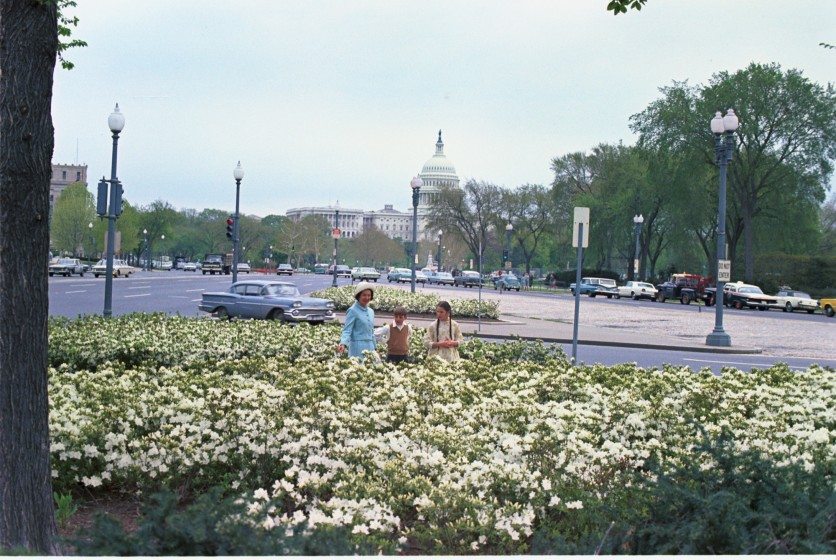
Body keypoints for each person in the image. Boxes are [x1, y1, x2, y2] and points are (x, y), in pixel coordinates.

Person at [337, 282, 376, 359]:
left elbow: (371, 331)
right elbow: (347, 330)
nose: (367, 298)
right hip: (357, 348)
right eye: (364, 295)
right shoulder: (352, 310)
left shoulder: (371, 311)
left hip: (370, 347)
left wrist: (375, 347)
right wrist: (343, 343)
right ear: (358, 296)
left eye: (369, 295)